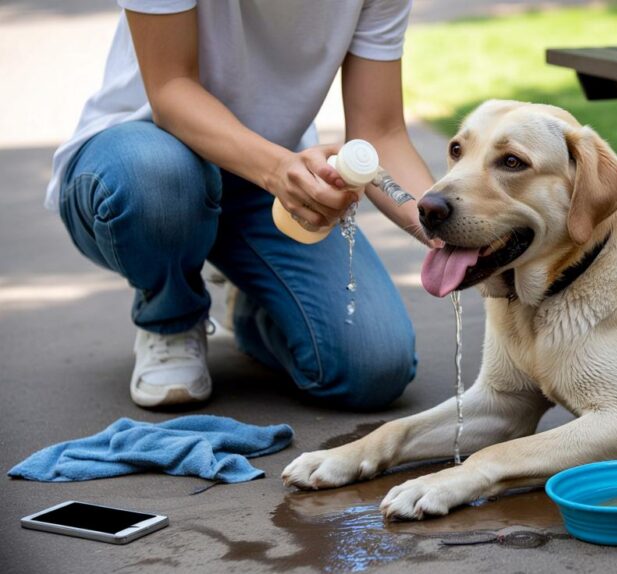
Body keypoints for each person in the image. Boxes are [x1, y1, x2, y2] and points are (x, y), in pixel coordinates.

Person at [46, 0, 434, 410]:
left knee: (373, 367)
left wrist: (443, 223)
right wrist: (278, 169)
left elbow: (380, 132)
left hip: (264, 180)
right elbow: (170, 88)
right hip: (138, 164)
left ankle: (253, 308)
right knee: (162, 177)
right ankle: (170, 317)